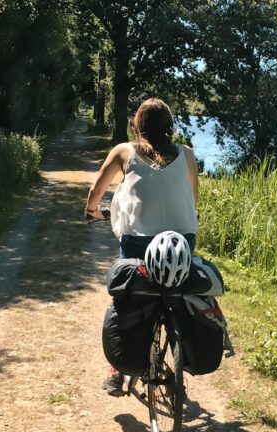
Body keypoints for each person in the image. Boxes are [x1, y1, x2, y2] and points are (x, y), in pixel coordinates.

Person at [85, 97, 199, 393]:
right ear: (169, 126)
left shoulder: (124, 151)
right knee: (176, 294)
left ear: (137, 124)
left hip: (139, 244)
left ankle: (116, 367)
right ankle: (177, 359)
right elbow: (193, 200)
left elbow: (98, 189)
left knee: (127, 295)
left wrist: (92, 210)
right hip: (181, 243)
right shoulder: (187, 154)